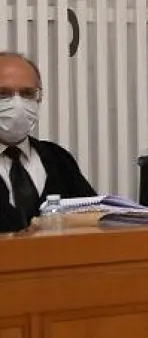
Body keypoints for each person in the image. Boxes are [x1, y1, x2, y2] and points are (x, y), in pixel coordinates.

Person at [0, 51, 95, 233]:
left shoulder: (58, 159)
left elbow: (93, 220)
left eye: (27, 93)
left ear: (39, 98)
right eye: (3, 94)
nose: (17, 104)